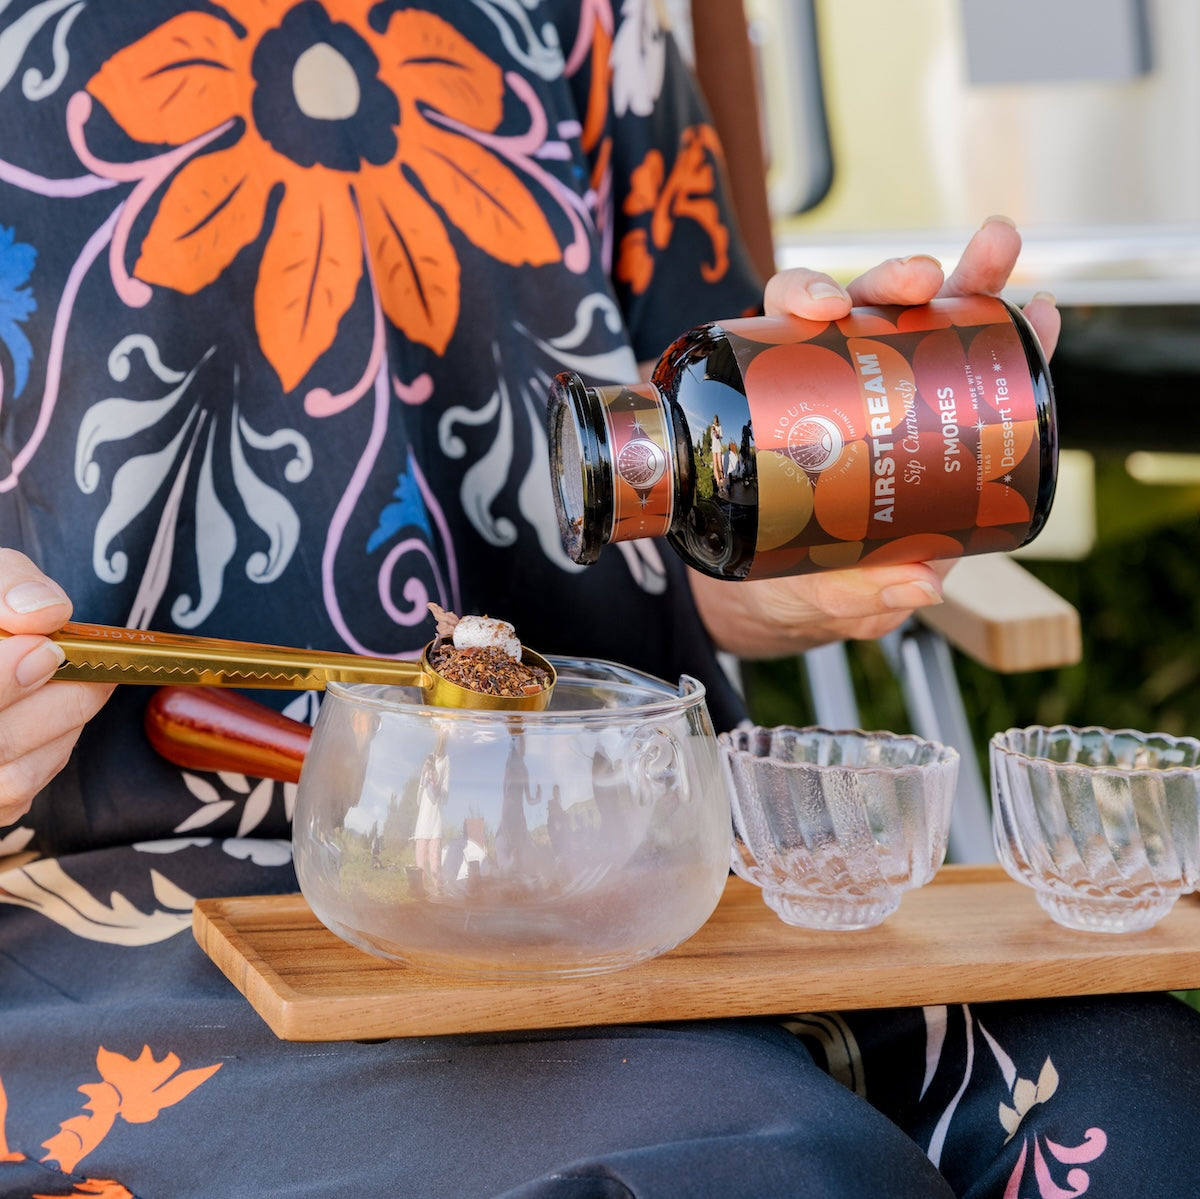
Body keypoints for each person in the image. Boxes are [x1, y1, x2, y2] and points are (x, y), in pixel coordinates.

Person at [0, 4, 1198, 1197]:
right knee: (733, 1160)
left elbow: (691, 489)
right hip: (124, 904)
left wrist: (788, 552)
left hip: (649, 865)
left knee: (1145, 1106)